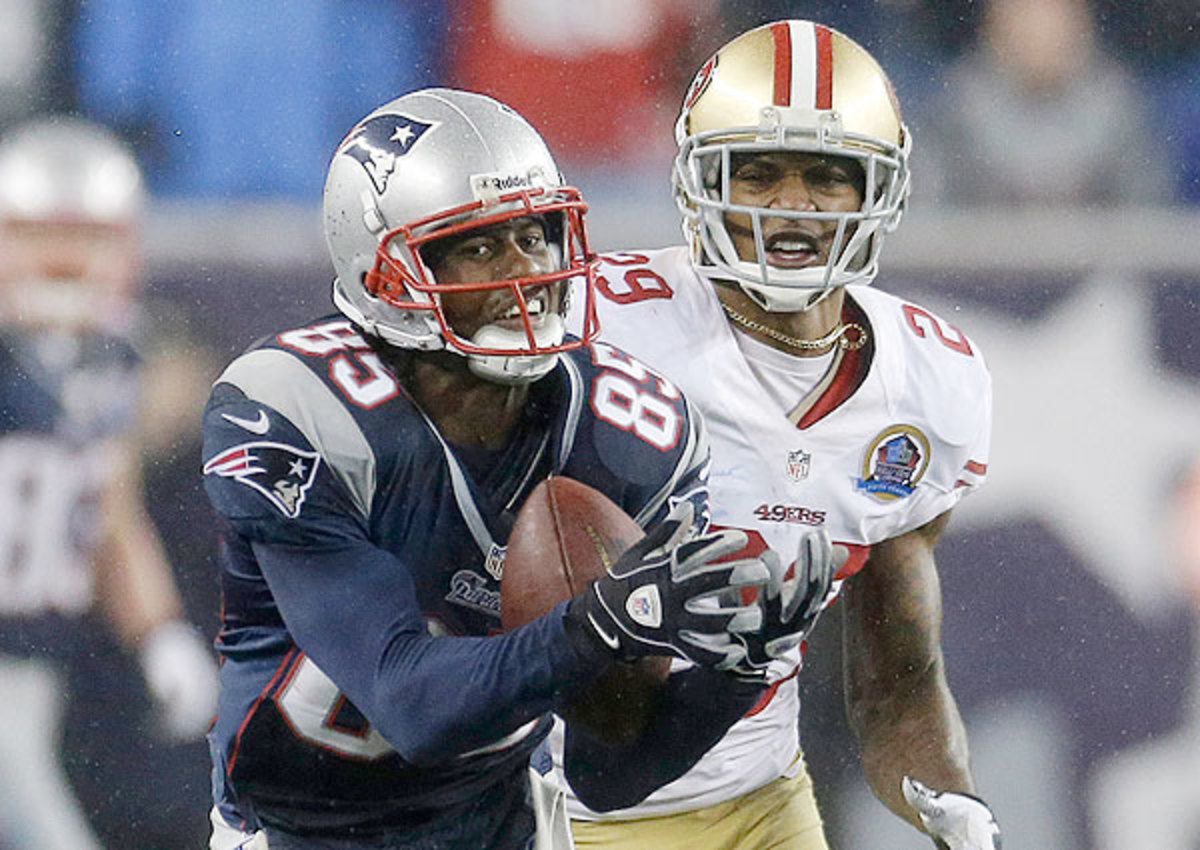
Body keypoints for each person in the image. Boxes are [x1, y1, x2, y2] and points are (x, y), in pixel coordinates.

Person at [201, 87, 836, 850]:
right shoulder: (299, 408)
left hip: (502, 831)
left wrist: (741, 670)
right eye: (480, 246)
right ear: (385, 271)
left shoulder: (629, 434)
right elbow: (409, 704)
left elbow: (610, 770)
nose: (526, 271)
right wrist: (600, 622)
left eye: (536, 237)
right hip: (298, 830)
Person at [561, 19, 1001, 850]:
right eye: (756, 173)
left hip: (759, 803)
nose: (792, 207)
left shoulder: (928, 387)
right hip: (553, 806)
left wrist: (954, 804)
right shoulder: (592, 327)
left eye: (828, 177)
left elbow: (897, 684)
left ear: (879, 189)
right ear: (701, 180)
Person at [0, 115, 220, 849]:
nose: (63, 261)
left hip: (38, 669)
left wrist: (159, 637)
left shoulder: (112, 358)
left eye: (89, 237)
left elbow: (111, 513)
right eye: (38, 235)